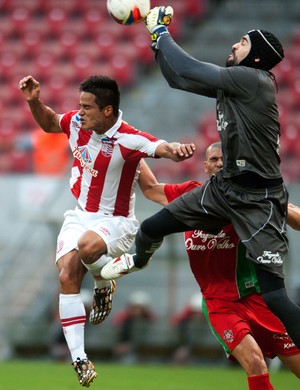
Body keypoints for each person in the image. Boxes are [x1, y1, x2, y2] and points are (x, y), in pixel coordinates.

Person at [101, 7, 300, 353]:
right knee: (151, 229)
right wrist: (155, 38)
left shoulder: (251, 79)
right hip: (224, 189)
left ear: (254, 55)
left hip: (259, 200)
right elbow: (177, 78)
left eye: (241, 43)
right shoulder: (237, 85)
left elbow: (189, 68)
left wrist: (161, 31)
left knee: (276, 296)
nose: (234, 46)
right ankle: (139, 259)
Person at [19, 74, 195, 387]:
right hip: (80, 216)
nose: (80, 111)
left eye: (87, 107)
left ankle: (104, 277)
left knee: (87, 248)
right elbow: (49, 122)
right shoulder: (76, 124)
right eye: (80, 105)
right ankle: (79, 358)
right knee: (66, 276)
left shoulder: (128, 139)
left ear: (108, 111)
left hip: (116, 222)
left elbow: (158, 147)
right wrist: (34, 101)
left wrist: (176, 149)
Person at [138, 143, 300, 388]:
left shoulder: (250, 198)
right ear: (205, 166)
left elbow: (297, 219)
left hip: (256, 296)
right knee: (255, 363)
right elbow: (150, 189)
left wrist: (274, 204)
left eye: (226, 159)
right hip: (219, 303)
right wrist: (127, 144)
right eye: (214, 159)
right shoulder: (190, 196)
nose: (220, 163)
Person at [112, 290, 156, 364]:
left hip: (142, 349)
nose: (137, 311)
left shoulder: (149, 322)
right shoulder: (124, 320)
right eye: (135, 307)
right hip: (126, 349)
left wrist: (130, 346)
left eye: (140, 308)